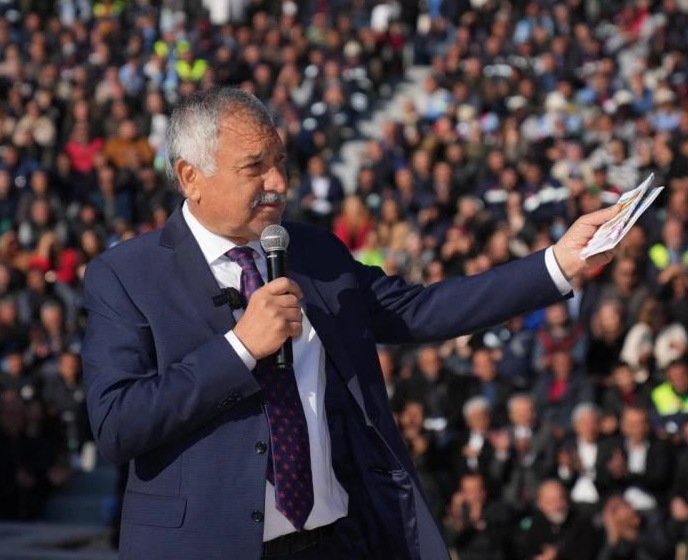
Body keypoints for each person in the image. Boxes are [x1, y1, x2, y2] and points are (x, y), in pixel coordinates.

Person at [81, 87, 621, 559]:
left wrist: (557, 263)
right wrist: (240, 348)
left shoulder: (313, 251)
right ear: (190, 178)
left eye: (280, 162)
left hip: (331, 542)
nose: (277, 182)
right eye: (254, 167)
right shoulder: (126, 276)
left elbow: (422, 310)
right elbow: (118, 424)